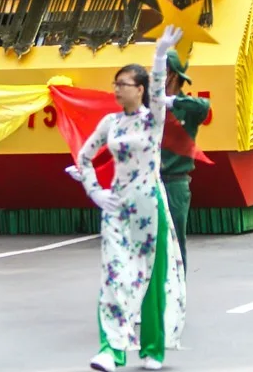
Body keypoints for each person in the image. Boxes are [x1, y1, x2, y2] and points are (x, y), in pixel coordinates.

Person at [75, 26, 186, 372]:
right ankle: (111, 349)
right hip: (117, 207)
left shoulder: (153, 119)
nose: (117, 90)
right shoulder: (111, 123)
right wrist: (95, 191)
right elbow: (84, 157)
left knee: (149, 278)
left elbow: (158, 88)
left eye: (123, 84)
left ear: (140, 90)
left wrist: (157, 55)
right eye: (116, 84)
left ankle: (152, 349)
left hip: (150, 206)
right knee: (114, 275)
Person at [161, 49, 210, 274]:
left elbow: (203, 107)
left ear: (173, 75)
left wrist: (173, 102)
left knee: (175, 241)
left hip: (175, 183)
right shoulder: (149, 104)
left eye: (163, 70)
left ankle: (178, 289)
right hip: (150, 182)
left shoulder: (185, 107)